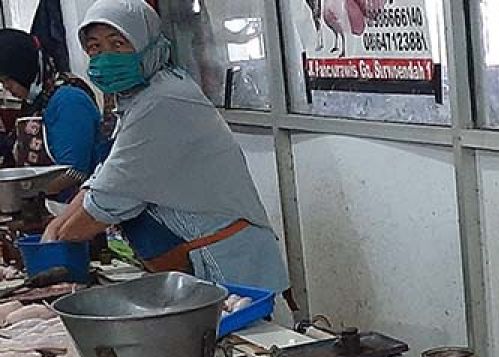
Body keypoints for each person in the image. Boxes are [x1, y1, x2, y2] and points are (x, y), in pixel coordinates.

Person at [43, 0, 291, 301]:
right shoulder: (142, 95)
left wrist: (56, 245)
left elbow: (109, 199)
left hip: (229, 265)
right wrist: (56, 228)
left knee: (246, 345)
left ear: (148, 45)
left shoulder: (163, 102)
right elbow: (104, 175)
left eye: (118, 44)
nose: (104, 57)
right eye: (95, 48)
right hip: (203, 262)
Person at [0, 28, 109, 201]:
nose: (6, 88)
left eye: (8, 80)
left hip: (74, 209)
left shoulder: (69, 100)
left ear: (22, 69)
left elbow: (74, 172)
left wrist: (21, 195)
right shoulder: (35, 102)